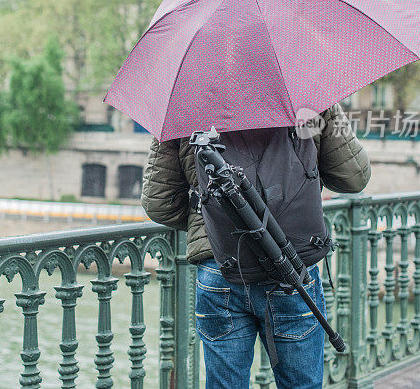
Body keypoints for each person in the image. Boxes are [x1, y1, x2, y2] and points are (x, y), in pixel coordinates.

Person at [141, 104, 371, 389]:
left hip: (221, 265)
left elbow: (159, 203)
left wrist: (218, 225)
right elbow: (353, 178)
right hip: (293, 264)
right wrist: (328, 107)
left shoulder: (187, 101)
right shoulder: (304, 95)